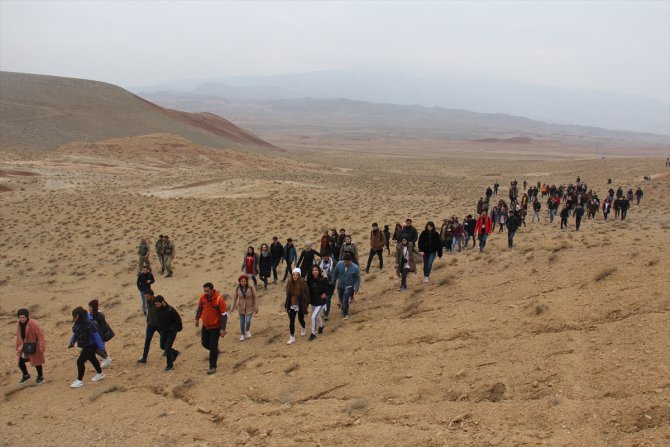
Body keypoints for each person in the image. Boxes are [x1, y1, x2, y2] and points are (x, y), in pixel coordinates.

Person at [68, 306, 105, 388]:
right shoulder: (78, 323)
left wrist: (101, 347)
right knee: (92, 358)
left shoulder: (88, 324)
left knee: (80, 361)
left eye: (74, 316)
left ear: (78, 315)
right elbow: (76, 334)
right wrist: (72, 342)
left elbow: (96, 335)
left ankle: (79, 380)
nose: (73, 318)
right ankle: (100, 373)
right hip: (86, 345)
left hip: (91, 346)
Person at [195, 283, 227, 374]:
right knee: (205, 343)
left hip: (216, 327)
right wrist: (197, 319)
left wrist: (223, 328)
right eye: (204, 291)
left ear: (212, 290)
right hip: (205, 325)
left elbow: (224, 315)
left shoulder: (219, 299)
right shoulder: (203, 297)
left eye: (207, 291)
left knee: (212, 346)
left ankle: (212, 367)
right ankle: (215, 350)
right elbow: (200, 308)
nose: (206, 293)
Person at [15, 308, 45, 384]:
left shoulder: (33, 323)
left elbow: (40, 335)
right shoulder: (18, 324)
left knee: (37, 362)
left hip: (34, 345)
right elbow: (18, 336)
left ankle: (40, 376)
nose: (22, 319)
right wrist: (17, 346)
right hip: (24, 346)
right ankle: (26, 375)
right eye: (20, 317)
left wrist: (41, 346)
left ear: (27, 316)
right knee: (20, 361)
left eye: (23, 317)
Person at [154, 295, 181, 372]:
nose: (156, 306)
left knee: (167, 348)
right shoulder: (158, 309)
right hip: (163, 331)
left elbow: (178, 319)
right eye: (155, 304)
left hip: (171, 332)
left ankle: (170, 366)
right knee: (162, 346)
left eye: (157, 304)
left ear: (163, 302)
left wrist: (176, 328)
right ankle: (175, 353)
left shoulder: (170, 310)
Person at [331, 253, 361, 321]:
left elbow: (358, 278)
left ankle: (345, 314)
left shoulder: (355, 267)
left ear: (351, 261)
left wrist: (356, 287)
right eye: (345, 261)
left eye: (348, 262)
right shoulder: (339, 264)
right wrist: (333, 282)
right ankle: (343, 308)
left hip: (349, 286)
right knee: (341, 299)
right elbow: (335, 273)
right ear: (343, 260)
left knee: (345, 299)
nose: (346, 263)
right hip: (340, 285)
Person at [306, 265, 331, 340]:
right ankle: (321, 326)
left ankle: (313, 333)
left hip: (321, 302)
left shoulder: (323, 279)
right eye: (313, 270)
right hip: (313, 302)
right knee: (317, 316)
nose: (314, 272)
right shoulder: (309, 280)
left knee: (313, 317)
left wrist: (326, 294)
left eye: (316, 270)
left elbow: (331, 287)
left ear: (319, 271)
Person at [284, 268, 309, 344]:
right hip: (292, 305)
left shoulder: (303, 284)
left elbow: (307, 295)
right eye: (293, 275)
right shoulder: (289, 283)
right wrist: (286, 306)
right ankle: (292, 337)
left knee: (300, 319)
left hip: (300, 305)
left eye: (296, 275)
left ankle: (303, 327)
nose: (295, 276)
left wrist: (306, 305)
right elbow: (288, 296)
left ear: (299, 275)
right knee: (291, 321)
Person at [230, 275, 258, 342]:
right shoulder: (237, 288)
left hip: (249, 307)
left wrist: (256, 307)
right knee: (242, 322)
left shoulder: (251, 287)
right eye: (242, 281)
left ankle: (247, 330)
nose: (243, 282)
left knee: (248, 321)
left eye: (244, 281)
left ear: (246, 281)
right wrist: (232, 308)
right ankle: (242, 335)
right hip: (241, 308)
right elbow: (234, 298)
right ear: (239, 282)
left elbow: (255, 297)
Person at [88, 300, 114, 368]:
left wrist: (101, 337)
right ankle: (107, 359)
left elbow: (103, 327)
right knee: (101, 348)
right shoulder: (91, 314)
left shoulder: (100, 315)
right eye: (89, 307)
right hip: (95, 334)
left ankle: (106, 359)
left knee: (97, 348)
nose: (89, 308)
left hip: (100, 335)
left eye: (91, 307)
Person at [137, 290, 160, 364]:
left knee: (164, 338)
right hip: (151, 324)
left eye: (147, 296)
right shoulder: (148, 301)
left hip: (159, 324)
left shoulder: (158, 301)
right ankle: (144, 358)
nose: (146, 298)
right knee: (147, 341)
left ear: (152, 295)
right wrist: (147, 319)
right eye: (145, 296)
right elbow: (149, 312)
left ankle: (169, 351)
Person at [318, 253, 336, 320]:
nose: (324, 260)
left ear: (328, 257)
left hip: (331, 283)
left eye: (326, 258)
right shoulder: (320, 262)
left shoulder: (334, 262)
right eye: (323, 258)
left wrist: (331, 277)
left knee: (328, 298)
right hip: (322, 283)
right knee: (323, 298)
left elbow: (336, 272)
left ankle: (326, 314)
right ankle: (324, 311)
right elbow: (316, 270)